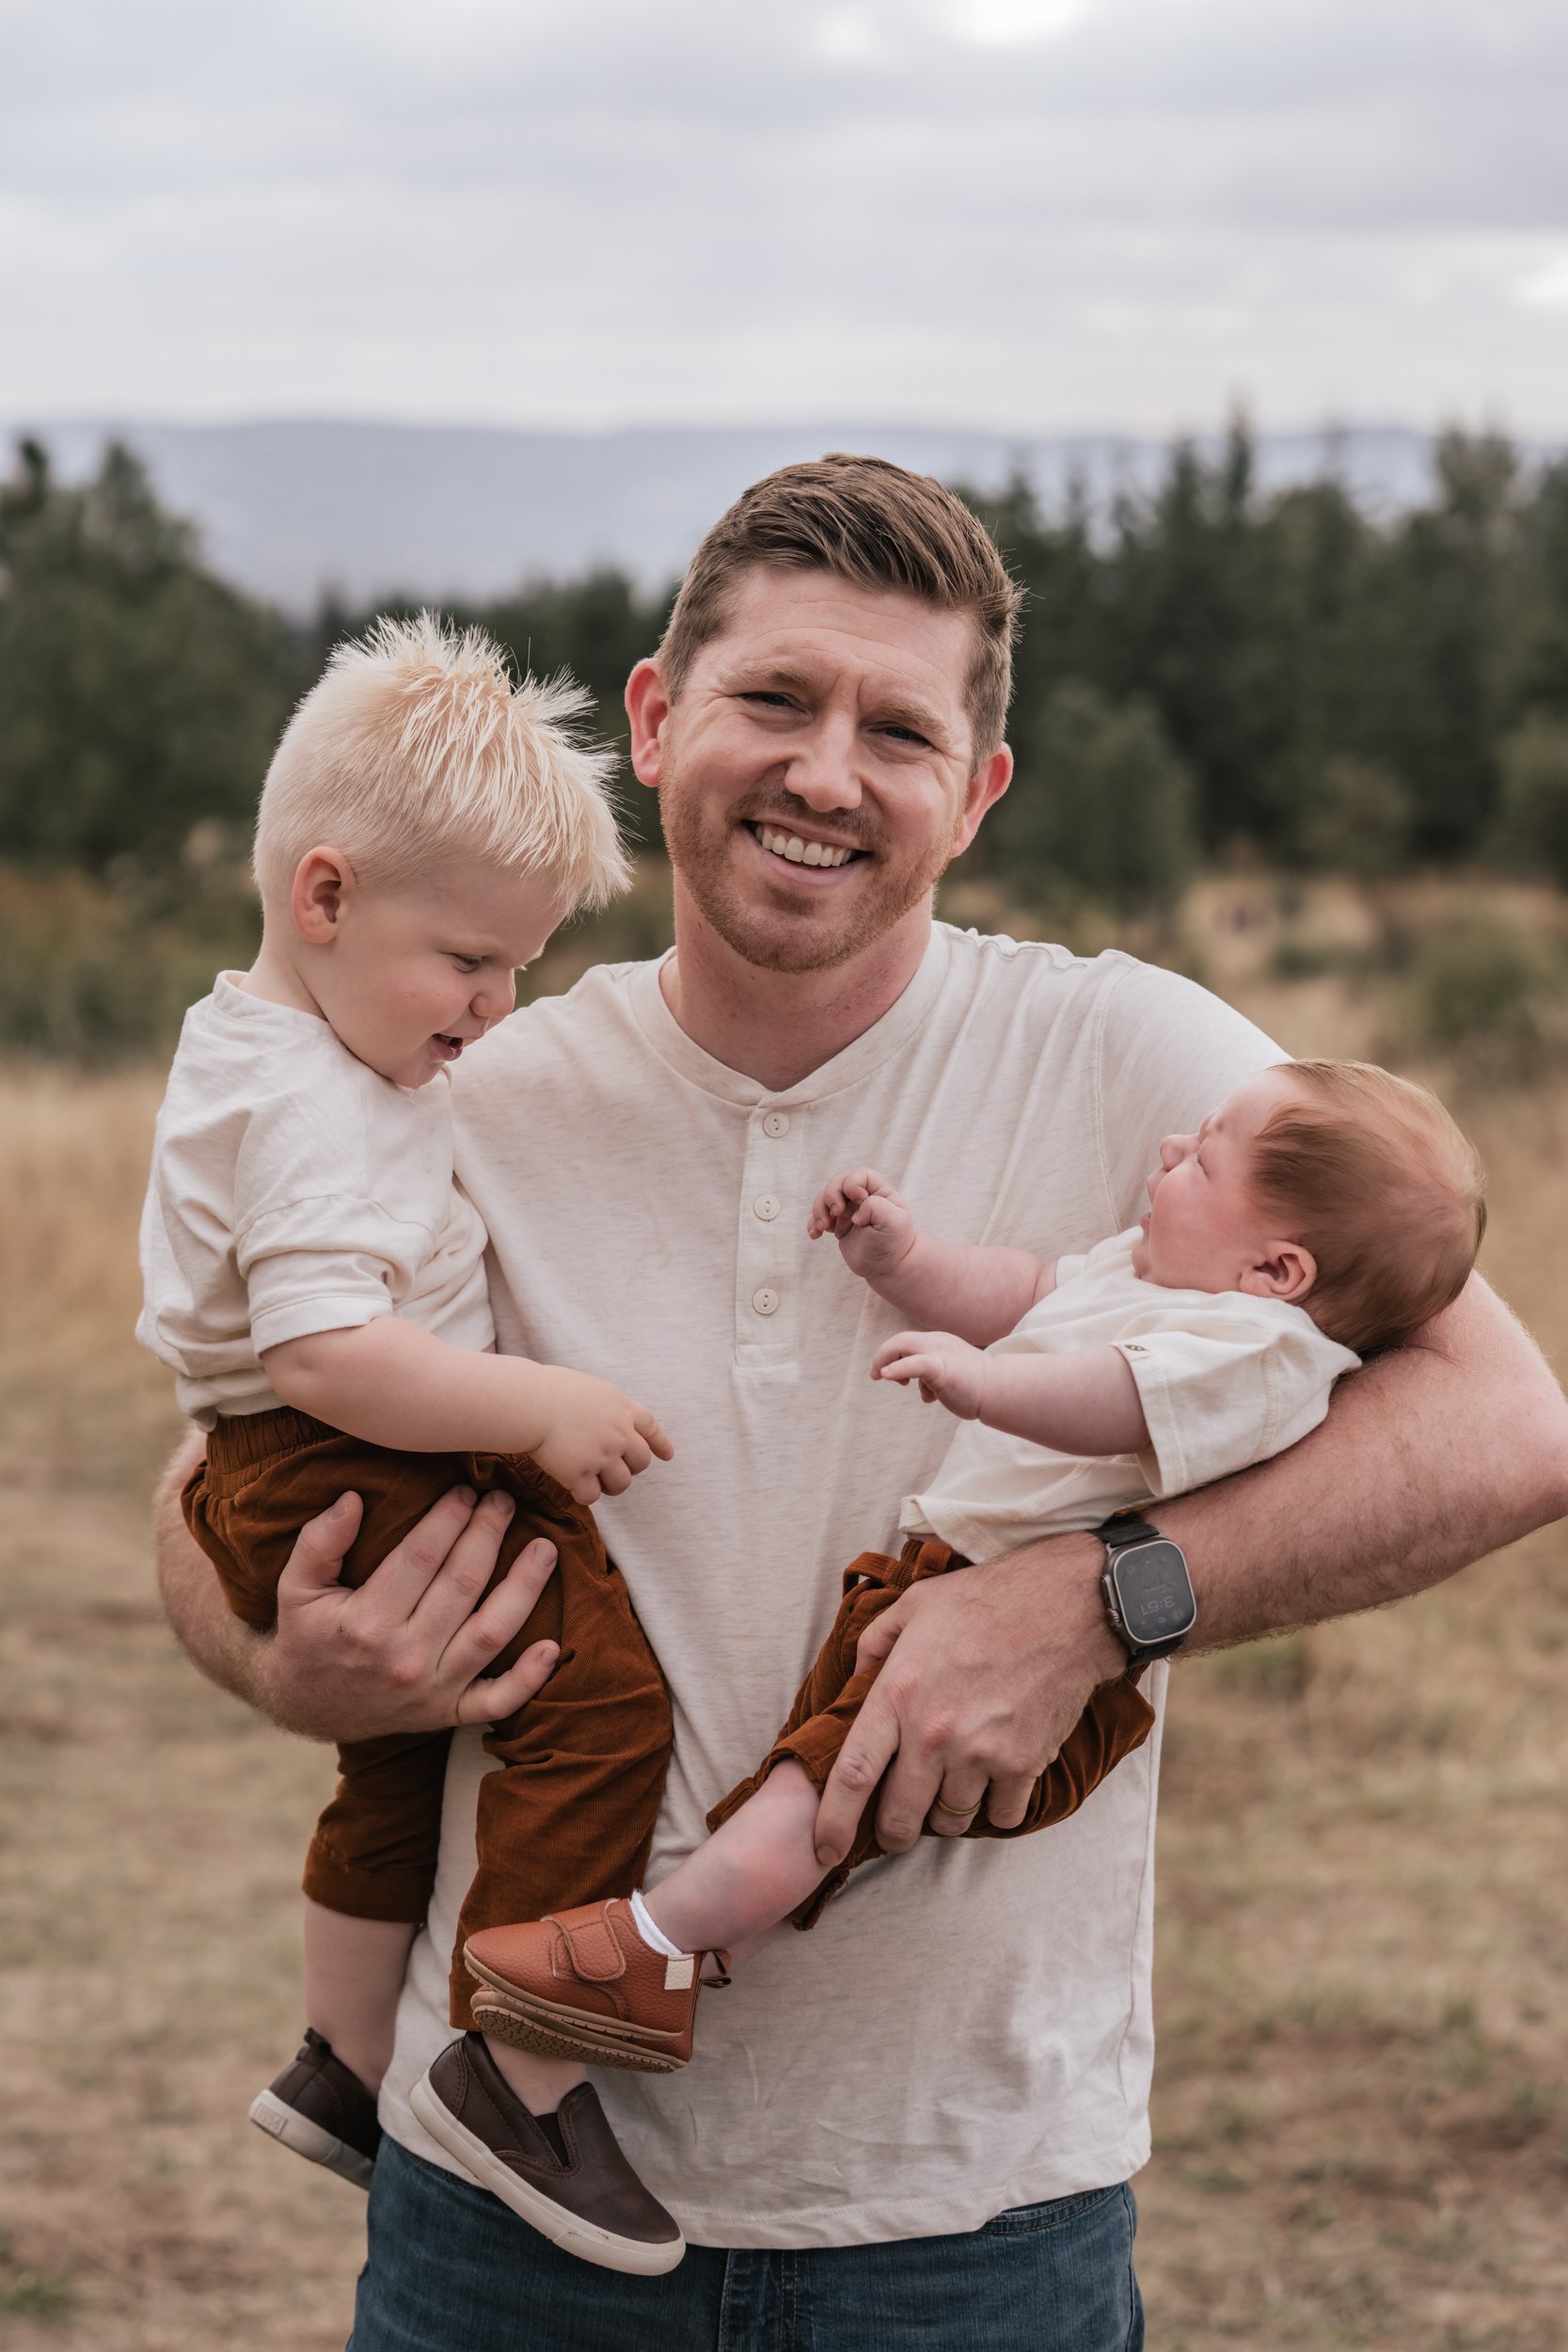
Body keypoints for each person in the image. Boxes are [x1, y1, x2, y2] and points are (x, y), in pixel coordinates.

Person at [152, 455, 1568, 2351]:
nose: (825, 771)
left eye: (896, 728)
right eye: (772, 700)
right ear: (654, 723)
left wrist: (1097, 1598)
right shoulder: (459, 1075)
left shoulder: (1131, 1056)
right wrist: (294, 1664)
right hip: (492, 2219)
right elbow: (210, 1471)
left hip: (972, 2214)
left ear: (971, 793)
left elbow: (1501, 1420)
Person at [428, 1058, 1485, 2240]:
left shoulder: (1255, 1349)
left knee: (816, 1794)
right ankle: (634, 1991)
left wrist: (982, 1386)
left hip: (1001, 1620)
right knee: (808, 1787)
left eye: (1203, 1158)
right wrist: (906, 1264)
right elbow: (1023, 1291)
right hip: (932, 1583)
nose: (1166, 1152)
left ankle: (650, 1943)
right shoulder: (1143, 1275)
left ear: (1276, 1269)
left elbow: (1112, 1401)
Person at [136, 614, 679, 2245]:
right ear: (326, 896)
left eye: (519, 967)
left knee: (398, 1764)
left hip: (275, 1469)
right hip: (348, 1458)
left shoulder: (270, 1041)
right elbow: (321, 1347)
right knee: (599, 1710)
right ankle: (528, 2074)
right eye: (468, 964)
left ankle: (342, 2063)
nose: (496, 1007)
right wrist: (543, 1408)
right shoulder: (315, 1101)